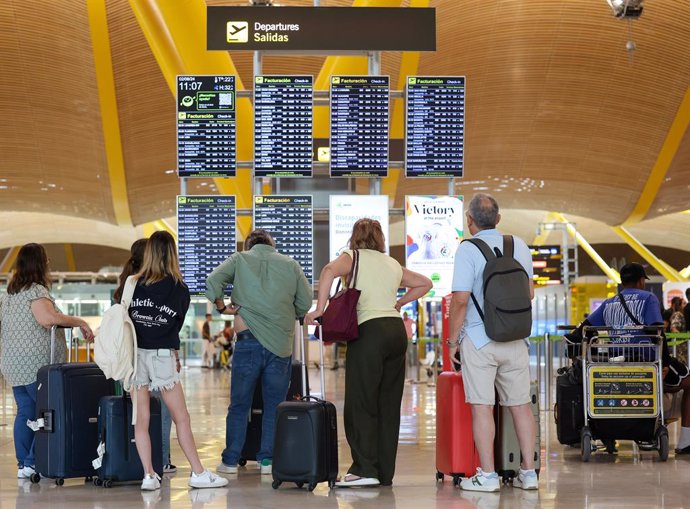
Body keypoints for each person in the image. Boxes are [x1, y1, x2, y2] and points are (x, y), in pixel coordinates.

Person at [306, 218, 432, 487]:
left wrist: (319, 309)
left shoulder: (352, 257)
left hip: (369, 332)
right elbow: (424, 284)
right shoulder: (392, 264)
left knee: (361, 402)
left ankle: (364, 470)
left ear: (355, 237)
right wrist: (398, 303)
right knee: (388, 405)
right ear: (380, 238)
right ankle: (383, 472)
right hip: (396, 332)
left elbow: (328, 270)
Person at [447, 193, 538, 492]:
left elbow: (460, 300)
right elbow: (530, 294)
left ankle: (487, 476)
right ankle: (529, 472)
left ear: (469, 221)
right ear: (498, 219)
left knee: (482, 408)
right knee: (521, 406)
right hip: (515, 338)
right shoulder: (519, 246)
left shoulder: (468, 250)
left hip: (479, 339)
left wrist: (451, 342)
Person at [206, 229, 312, 475]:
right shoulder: (291, 264)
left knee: (239, 405)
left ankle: (231, 461)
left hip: (247, 343)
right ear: (271, 244)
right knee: (274, 405)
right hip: (280, 346)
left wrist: (222, 307)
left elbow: (213, 280)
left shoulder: (240, 259)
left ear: (249, 245)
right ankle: (267, 461)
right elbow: (305, 303)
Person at [128, 231, 227, 490]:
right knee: (181, 417)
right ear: (172, 254)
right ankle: (198, 472)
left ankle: (149, 475)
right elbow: (175, 325)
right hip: (162, 356)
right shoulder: (179, 288)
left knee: (142, 419)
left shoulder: (133, 283)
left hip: (136, 358)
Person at [0, 243, 94, 479]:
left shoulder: (10, 295)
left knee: (26, 412)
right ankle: (33, 461)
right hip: (36, 366)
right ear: (40, 264)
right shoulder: (35, 291)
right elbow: (48, 319)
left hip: (13, 363)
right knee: (46, 413)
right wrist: (80, 321)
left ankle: (24, 464)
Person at [583, 263, 690, 454]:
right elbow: (657, 332)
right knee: (688, 382)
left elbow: (584, 328)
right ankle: (685, 441)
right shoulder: (648, 297)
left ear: (622, 282)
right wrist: (665, 363)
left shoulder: (609, 303)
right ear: (641, 281)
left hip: (617, 361)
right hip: (647, 361)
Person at [113, 238, 176, 474]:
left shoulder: (127, 284)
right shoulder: (157, 284)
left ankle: (144, 469)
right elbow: (168, 324)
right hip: (156, 356)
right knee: (167, 410)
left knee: (140, 415)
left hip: (132, 357)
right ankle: (162, 458)